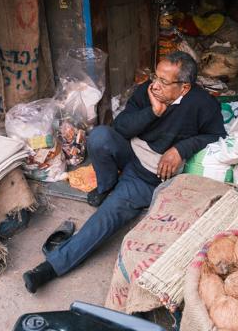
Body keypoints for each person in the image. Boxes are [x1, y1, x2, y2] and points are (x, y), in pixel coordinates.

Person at [23, 51, 226, 293]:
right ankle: (106, 187)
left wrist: (181, 149)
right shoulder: (147, 92)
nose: (156, 84)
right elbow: (121, 128)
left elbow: (216, 135)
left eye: (164, 81)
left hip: (149, 175)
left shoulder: (203, 105)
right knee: (99, 136)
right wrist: (153, 111)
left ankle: (51, 268)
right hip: (130, 154)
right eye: (155, 77)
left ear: (184, 88)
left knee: (108, 215)